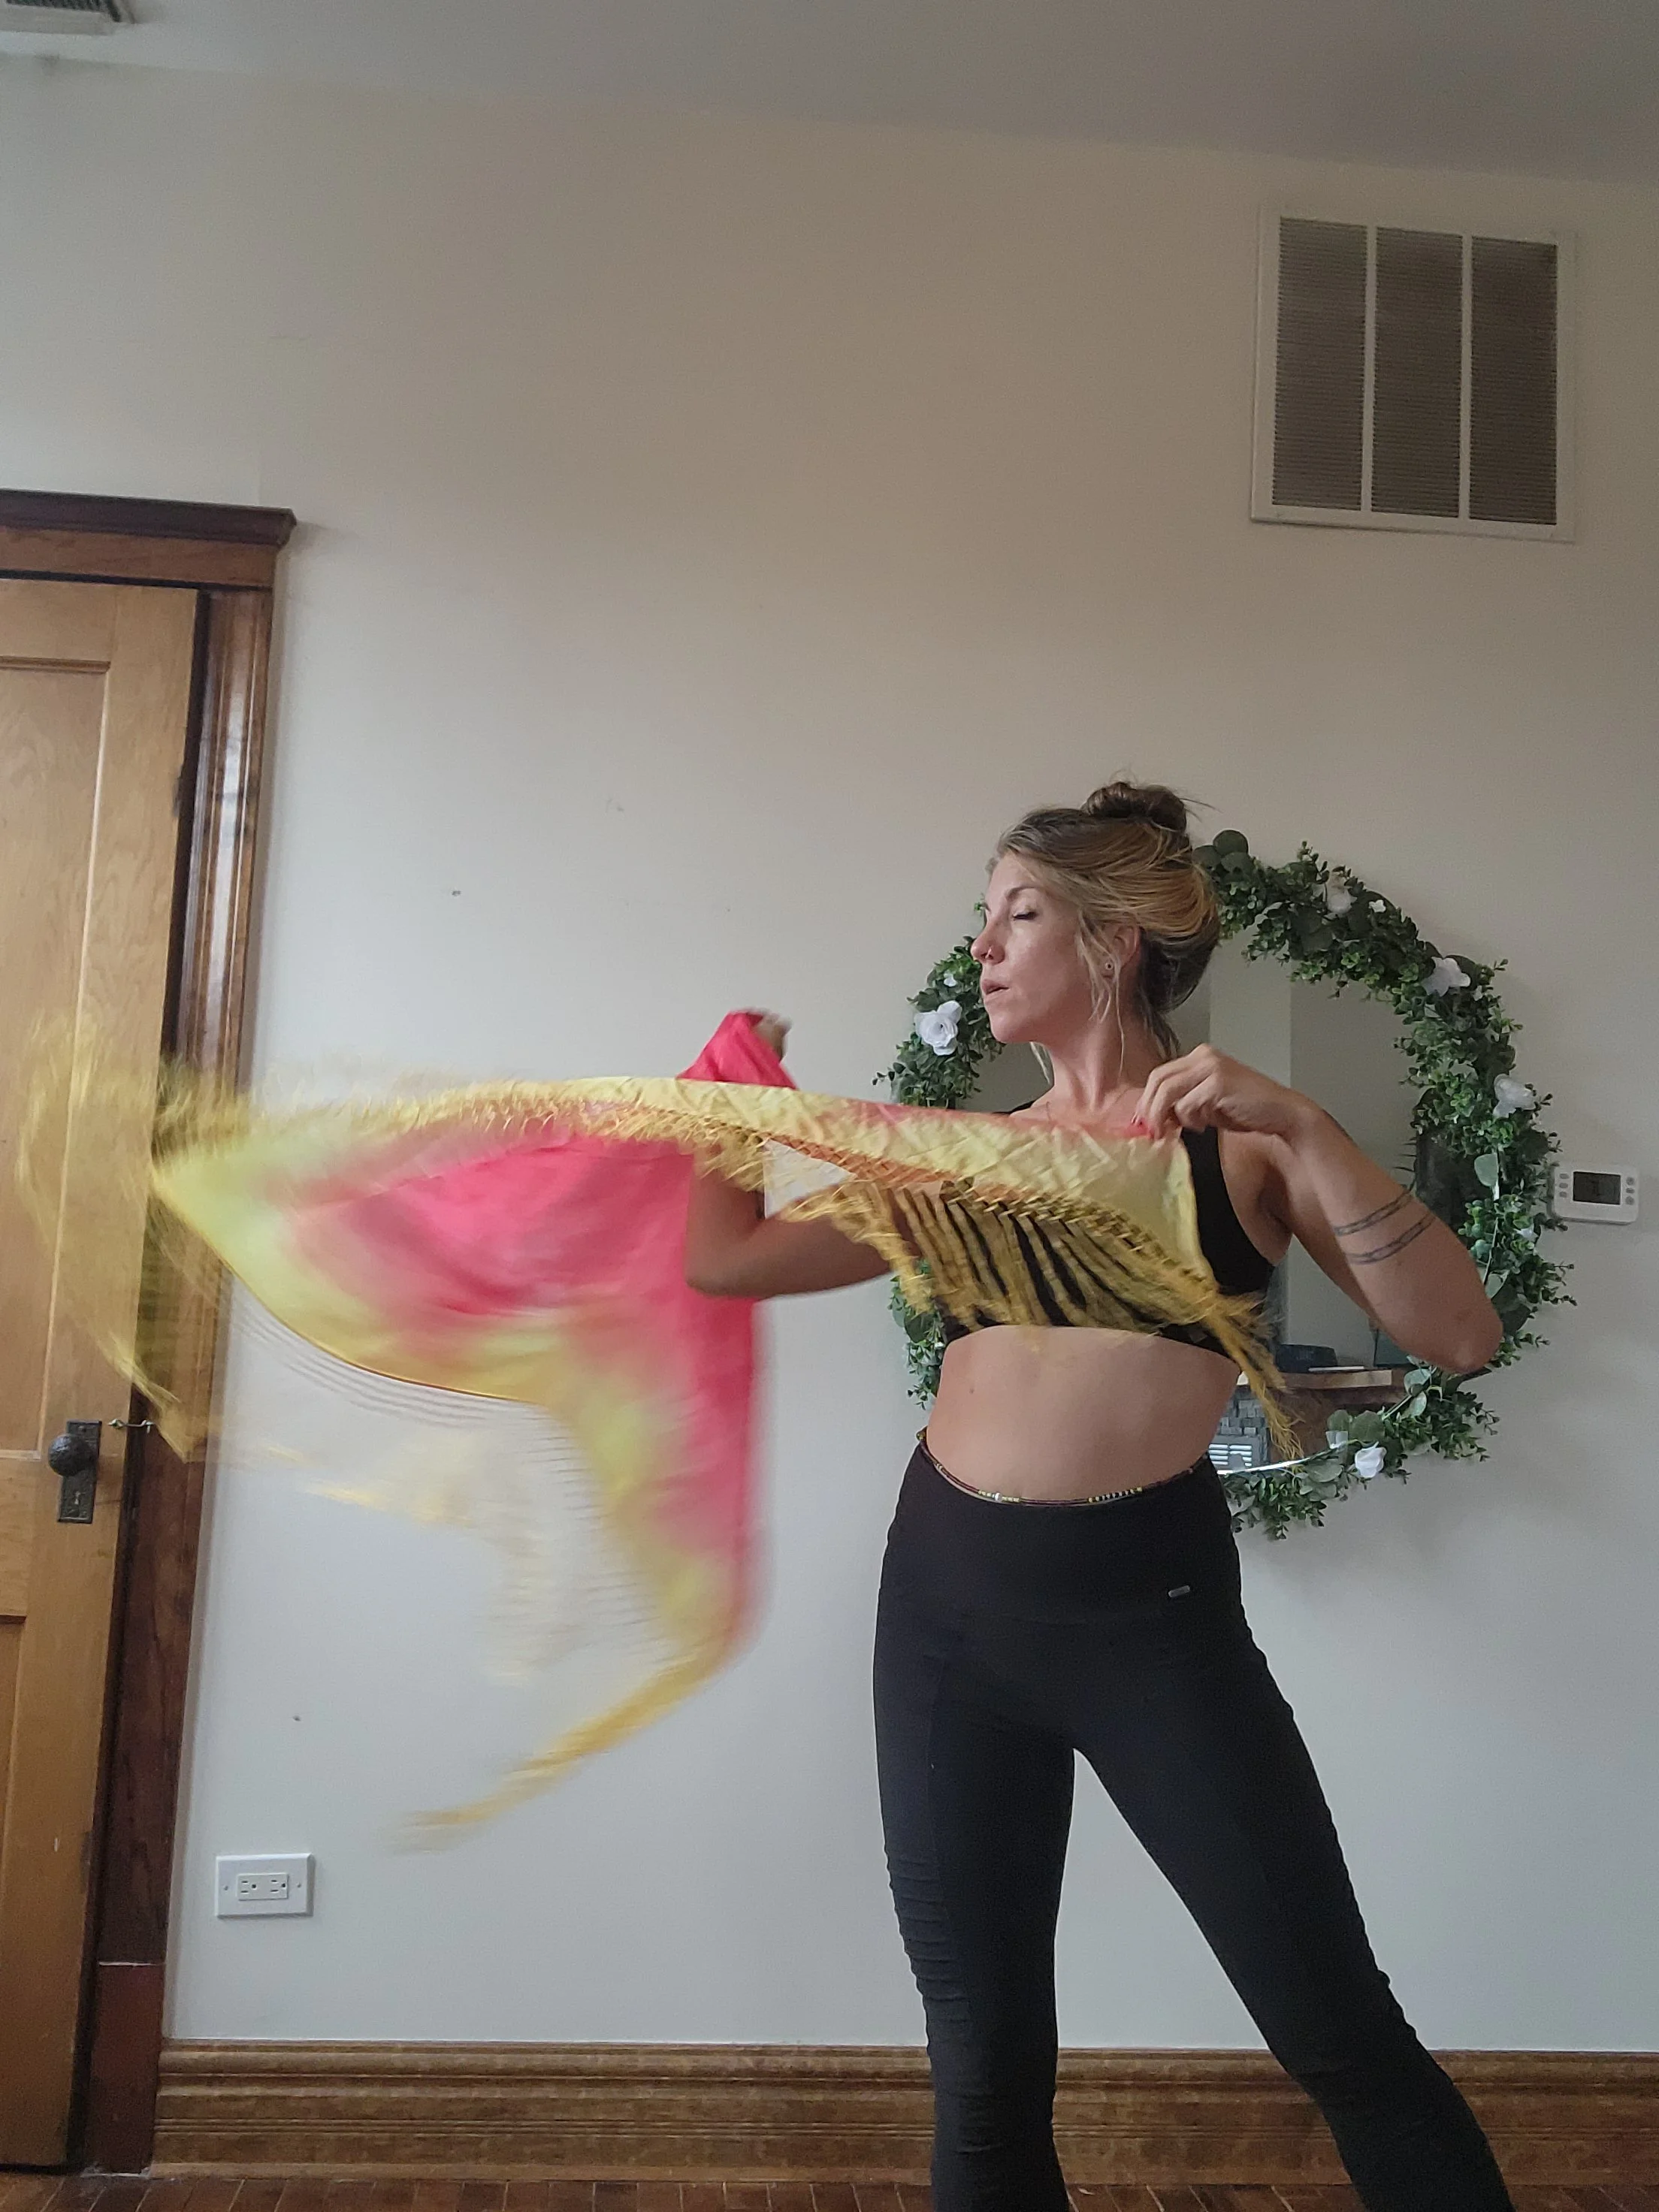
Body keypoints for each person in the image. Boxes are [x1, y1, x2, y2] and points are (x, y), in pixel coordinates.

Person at [683, 781, 1513, 2212]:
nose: (985, 949)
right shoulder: (972, 1160)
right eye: (985, 919)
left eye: (1018, 916)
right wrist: (721, 1098)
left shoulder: (1245, 1149)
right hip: (944, 1615)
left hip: (1150, 1625)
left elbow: (1461, 1334)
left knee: (1337, 2030)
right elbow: (726, 1263)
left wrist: (1309, 1124)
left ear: (1114, 942)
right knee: (984, 2067)